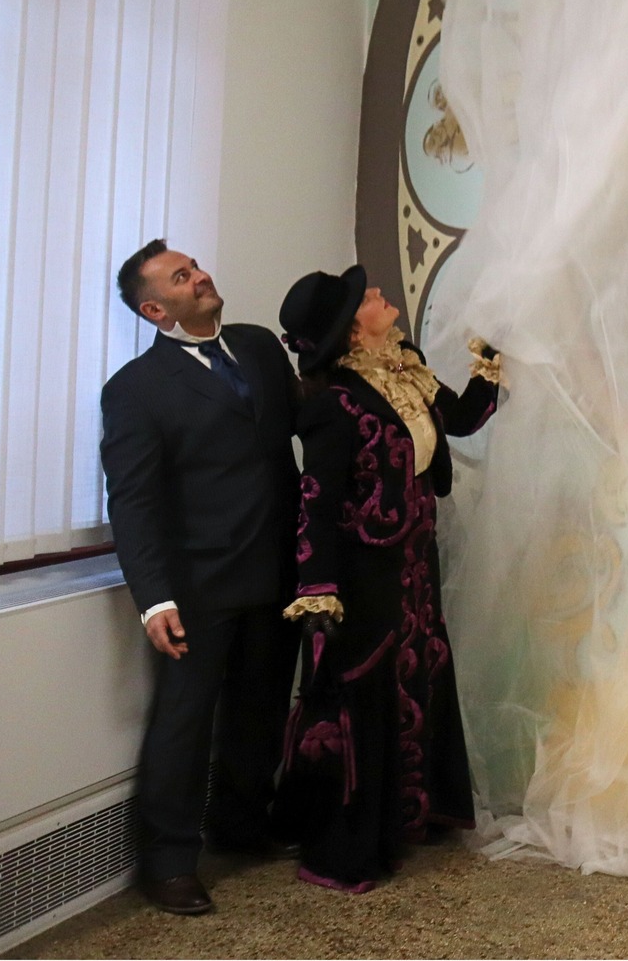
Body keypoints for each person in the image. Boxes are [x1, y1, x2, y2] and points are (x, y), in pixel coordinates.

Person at [273, 266, 503, 891]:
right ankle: (350, 845)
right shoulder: (334, 404)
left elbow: (460, 420)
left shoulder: (406, 366)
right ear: (352, 330)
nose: (379, 295)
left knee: (419, 673)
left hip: (415, 564)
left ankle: (410, 815)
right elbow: (316, 502)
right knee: (368, 691)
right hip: (364, 573)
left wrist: (491, 362)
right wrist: (317, 590)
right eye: (366, 298)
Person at [100, 241, 303, 915]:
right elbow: (132, 501)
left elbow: (300, 426)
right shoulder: (135, 389)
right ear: (155, 310)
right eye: (182, 276)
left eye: (196, 266)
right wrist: (153, 597)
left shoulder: (260, 347)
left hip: (278, 568)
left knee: (261, 706)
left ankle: (242, 825)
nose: (201, 276)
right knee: (183, 726)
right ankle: (167, 863)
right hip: (197, 585)